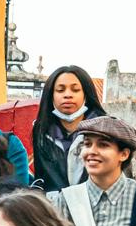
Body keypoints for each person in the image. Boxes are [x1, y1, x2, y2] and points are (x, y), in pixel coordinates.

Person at [30, 65, 108, 194]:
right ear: (51, 96)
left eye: (75, 90)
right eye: (60, 90)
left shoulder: (105, 129)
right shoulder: (41, 130)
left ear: (86, 95)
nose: (67, 95)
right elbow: (41, 178)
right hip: (53, 209)